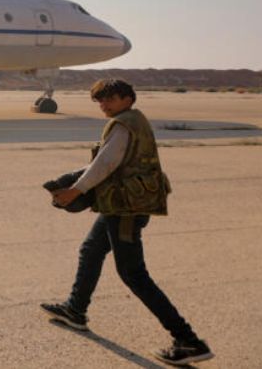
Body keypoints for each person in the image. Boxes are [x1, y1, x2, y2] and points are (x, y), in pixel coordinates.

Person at [40, 79, 213, 366]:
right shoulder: (134, 120)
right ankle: (75, 309)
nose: (103, 105)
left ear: (127, 98)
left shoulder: (123, 124)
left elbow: (105, 164)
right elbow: (110, 162)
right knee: (91, 250)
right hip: (121, 205)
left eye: (109, 99)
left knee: (133, 274)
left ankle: (188, 341)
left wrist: (75, 190)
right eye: (99, 101)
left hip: (125, 210)